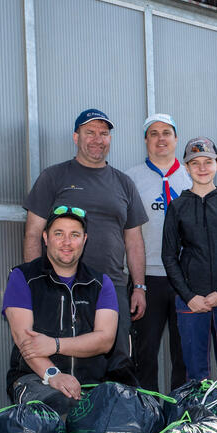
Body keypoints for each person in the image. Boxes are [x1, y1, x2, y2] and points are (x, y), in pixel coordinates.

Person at [22, 109, 146, 381]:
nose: (97, 139)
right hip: (60, 287)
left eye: (104, 133)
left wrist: (138, 286)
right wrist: (34, 281)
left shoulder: (124, 183)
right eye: (90, 132)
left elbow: (134, 239)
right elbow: (33, 233)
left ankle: (112, 419)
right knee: (60, 356)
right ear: (76, 137)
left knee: (116, 361)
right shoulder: (53, 177)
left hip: (110, 288)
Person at [4, 205, 131, 415]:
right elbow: (25, 342)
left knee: (126, 415)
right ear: (45, 238)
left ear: (84, 239)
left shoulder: (101, 283)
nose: (67, 242)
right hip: (37, 379)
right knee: (64, 410)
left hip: (91, 382)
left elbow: (105, 340)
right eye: (59, 234)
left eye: (74, 235)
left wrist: (54, 345)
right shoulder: (23, 277)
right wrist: (53, 375)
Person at [161, 137, 217, 382]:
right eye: (195, 163)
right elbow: (169, 255)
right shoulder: (177, 206)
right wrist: (188, 296)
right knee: (195, 373)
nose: (202, 168)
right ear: (186, 168)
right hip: (191, 301)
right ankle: (198, 419)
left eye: (208, 162)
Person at [125, 113, 190, 392]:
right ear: (145, 140)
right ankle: (147, 415)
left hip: (185, 279)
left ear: (176, 139)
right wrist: (136, 283)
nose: (160, 138)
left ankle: (181, 418)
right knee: (144, 354)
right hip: (147, 277)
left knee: (185, 353)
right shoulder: (131, 178)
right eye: (153, 133)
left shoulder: (192, 174)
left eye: (166, 132)